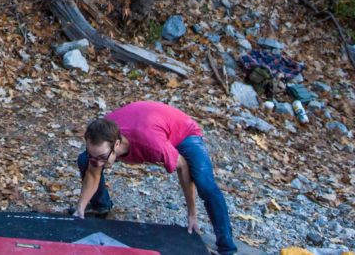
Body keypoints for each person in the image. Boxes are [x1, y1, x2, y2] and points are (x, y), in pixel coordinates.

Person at [73, 101, 237, 255]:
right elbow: (93, 172)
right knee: (84, 160)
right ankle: (100, 206)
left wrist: (192, 213)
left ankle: (227, 247)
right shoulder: (101, 135)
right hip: (151, 122)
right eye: (93, 155)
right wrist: (80, 208)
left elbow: (183, 166)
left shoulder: (151, 145)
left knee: (205, 185)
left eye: (101, 157)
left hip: (184, 132)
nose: (97, 161)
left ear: (116, 144)